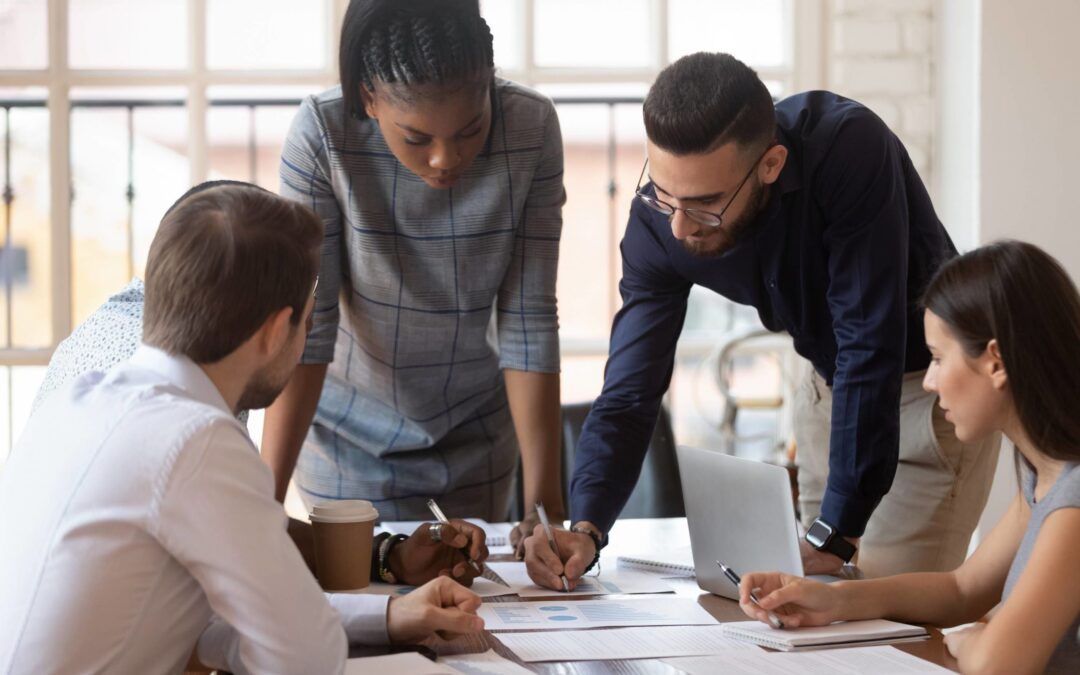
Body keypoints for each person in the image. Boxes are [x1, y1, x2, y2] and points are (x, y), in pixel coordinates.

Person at [525, 51, 999, 589]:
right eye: (664, 192)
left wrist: (836, 532)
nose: (679, 227)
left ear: (770, 165)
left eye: (706, 204)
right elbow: (630, 390)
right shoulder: (659, 221)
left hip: (931, 399)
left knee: (889, 620)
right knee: (814, 619)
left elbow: (869, 341)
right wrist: (587, 526)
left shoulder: (848, 148)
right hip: (828, 393)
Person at [0, 183, 484, 675]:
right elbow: (304, 658)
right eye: (308, 325)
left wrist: (387, 616)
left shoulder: (83, 400)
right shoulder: (194, 438)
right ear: (276, 330)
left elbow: (207, 624)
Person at [269, 0, 567, 549]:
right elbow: (310, 328)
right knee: (371, 601)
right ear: (369, 99)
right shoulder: (322, 135)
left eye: (471, 129)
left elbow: (529, 321)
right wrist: (263, 504)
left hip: (478, 435)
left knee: (474, 608)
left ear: (490, 84)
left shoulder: (531, 128)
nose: (445, 159)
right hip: (348, 442)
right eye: (416, 139)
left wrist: (544, 512)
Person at [738, 241, 1080, 674]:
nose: (931, 382)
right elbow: (962, 590)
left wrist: (977, 637)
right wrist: (829, 600)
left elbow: (999, 664)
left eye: (937, 359)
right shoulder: (1042, 473)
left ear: (996, 362)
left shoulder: (1073, 498)